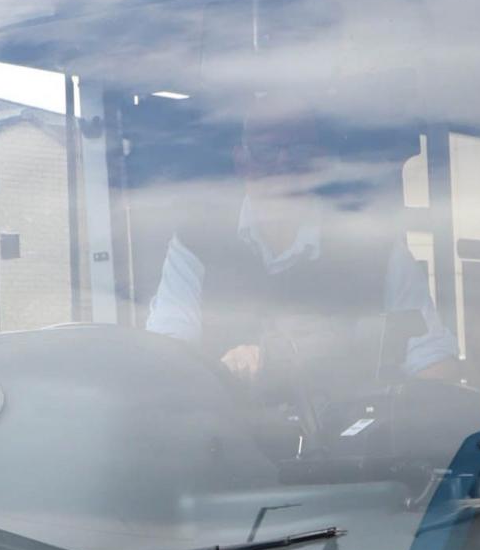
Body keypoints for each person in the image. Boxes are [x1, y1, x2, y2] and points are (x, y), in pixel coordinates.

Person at [142, 104, 456, 402]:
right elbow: (169, 356)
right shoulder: (196, 243)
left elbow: (433, 363)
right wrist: (223, 369)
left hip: (353, 450)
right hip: (227, 448)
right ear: (241, 160)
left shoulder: (373, 248)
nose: (282, 164)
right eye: (266, 151)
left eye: (299, 151)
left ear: (317, 161)